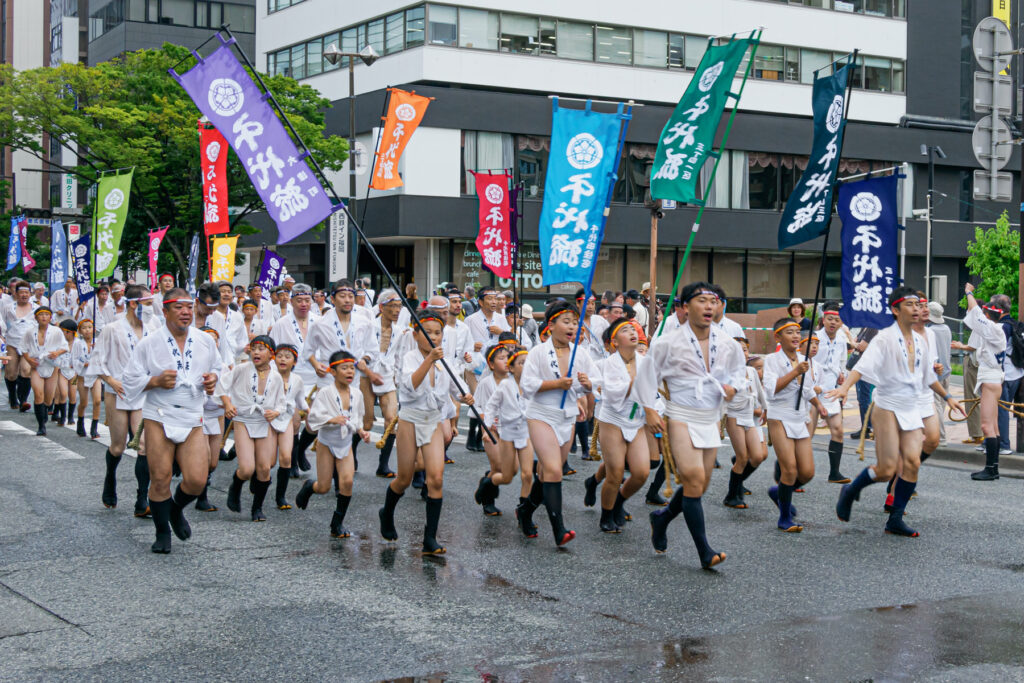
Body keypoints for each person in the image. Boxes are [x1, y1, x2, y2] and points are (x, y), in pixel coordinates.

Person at [829, 287, 965, 537]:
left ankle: (895, 519)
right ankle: (850, 490)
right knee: (886, 469)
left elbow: (927, 376)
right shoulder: (884, 337)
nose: (917, 309)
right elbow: (862, 366)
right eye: (910, 304)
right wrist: (844, 388)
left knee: (912, 462)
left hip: (912, 405)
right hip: (887, 406)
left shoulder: (925, 338)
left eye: (918, 304)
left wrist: (948, 397)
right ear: (895, 310)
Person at [638, 283, 743, 569]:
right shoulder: (667, 342)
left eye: (714, 301)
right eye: (701, 300)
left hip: (710, 417)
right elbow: (646, 376)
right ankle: (705, 552)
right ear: (685, 307)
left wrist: (732, 388)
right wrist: (649, 410)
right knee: (694, 478)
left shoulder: (728, 342)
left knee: (698, 485)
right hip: (680, 414)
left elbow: (739, 373)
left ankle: (661, 519)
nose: (709, 306)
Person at [122, 289, 222, 554]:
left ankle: (175, 510)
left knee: (197, 480)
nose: (185, 312)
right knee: (160, 478)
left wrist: (212, 380)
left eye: (188, 307)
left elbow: (218, 369)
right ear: (165, 311)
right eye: (178, 307)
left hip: (192, 414)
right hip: (160, 414)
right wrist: (154, 381)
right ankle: (162, 531)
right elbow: (129, 380)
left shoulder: (205, 341)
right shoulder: (149, 343)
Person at [378, 311, 474, 554]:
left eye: (438, 332)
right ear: (416, 334)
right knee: (404, 478)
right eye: (428, 332)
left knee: (436, 478)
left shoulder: (445, 360)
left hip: (433, 421)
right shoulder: (410, 357)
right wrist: (429, 359)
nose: (434, 337)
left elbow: (457, 386)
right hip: (410, 420)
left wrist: (465, 394)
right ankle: (386, 512)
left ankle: (429, 539)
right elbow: (410, 385)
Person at [520, 300, 599, 546]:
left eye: (575, 323)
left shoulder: (581, 353)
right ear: (551, 324)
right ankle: (559, 529)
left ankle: (524, 511)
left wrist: (587, 384)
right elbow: (527, 386)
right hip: (541, 414)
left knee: (545, 475)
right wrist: (556, 384)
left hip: (567, 416)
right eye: (566, 322)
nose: (572, 327)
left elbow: (596, 380)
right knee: (554, 470)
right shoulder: (538, 352)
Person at [93, 284, 159, 516]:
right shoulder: (112, 328)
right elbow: (97, 360)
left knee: (143, 446)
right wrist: (111, 381)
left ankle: (142, 500)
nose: (151, 309)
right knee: (119, 446)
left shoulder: (154, 326)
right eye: (147, 304)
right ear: (133, 304)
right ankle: (110, 477)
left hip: (144, 392)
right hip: (118, 391)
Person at [299, 279, 374, 468]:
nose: (347, 300)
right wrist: (316, 364)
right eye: (342, 296)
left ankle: (348, 456)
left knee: (351, 419)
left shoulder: (364, 322)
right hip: (328, 378)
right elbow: (308, 351)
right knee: (321, 421)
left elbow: (372, 349)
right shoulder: (321, 323)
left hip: (353, 377)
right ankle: (299, 450)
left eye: (351, 296)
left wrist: (365, 359)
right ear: (333, 299)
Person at [297, 350, 371, 537]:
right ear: (333, 372)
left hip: (345, 442)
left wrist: (362, 431)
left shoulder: (357, 394)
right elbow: (313, 419)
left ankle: (337, 524)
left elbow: (358, 418)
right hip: (327, 443)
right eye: (344, 368)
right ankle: (309, 486)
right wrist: (331, 419)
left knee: (347, 482)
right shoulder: (325, 393)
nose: (349, 372)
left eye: (351, 368)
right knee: (324, 487)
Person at [764, 325, 827, 532]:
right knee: (789, 469)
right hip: (779, 415)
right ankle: (784, 518)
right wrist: (794, 372)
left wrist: (818, 405)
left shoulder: (803, 359)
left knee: (807, 472)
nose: (795, 336)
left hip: (800, 417)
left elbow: (807, 389)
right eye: (789, 332)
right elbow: (771, 390)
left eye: (797, 333)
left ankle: (779, 491)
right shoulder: (771, 360)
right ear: (778, 337)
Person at [591, 319, 651, 533]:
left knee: (642, 472)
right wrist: (636, 381)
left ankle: (618, 502)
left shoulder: (646, 361)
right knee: (615, 473)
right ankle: (606, 514)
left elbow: (653, 392)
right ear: (615, 342)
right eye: (625, 330)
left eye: (633, 329)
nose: (632, 332)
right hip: (613, 419)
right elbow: (614, 393)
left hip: (636, 420)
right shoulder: (609, 364)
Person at [221, 335, 286, 521]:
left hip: (264, 422)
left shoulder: (276, 377)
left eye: (261, 348)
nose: (256, 352)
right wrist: (227, 404)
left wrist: (276, 412)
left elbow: (282, 403)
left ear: (271, 354)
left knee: (265, 468)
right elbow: (221, 387)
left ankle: (257, 508)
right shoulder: (241, 369)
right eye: (254, 348)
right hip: (243, 419)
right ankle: (237, 482)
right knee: (248, 468)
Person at [480, 346, 535, 531]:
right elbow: (490, 407)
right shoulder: (504, 385)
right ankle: (488, 483)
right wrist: (487, 428)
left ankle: (524, 513)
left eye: (528, 363)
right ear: (512, 368)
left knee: (528, 475)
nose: (526, 367)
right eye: (521, 363)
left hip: (526, 433)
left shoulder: (533, 384)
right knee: (507, 475)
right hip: (507, 434)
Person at [963, 285, 1008, 480]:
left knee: (987, 425)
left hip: (990, 379)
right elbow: (977, 314)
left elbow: (975, 312)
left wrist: (969, 293)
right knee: (994, 426)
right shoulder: (997, 329)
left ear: (989, 315)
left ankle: (991, 468)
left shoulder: (994, 329)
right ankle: (993, 467)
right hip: (994, 378)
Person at [722, 340, 768, 509]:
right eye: (738, 350)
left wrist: (765, 409)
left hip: (749, 417)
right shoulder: (725, 372)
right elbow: (722, 398)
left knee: (757, 456)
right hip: (734, 416)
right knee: (742, 457)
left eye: (745, 350)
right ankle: (731, 496)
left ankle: (737, 482)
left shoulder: (750, 370)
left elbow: (760, 392)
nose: (743, 353)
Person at [811, 302, 850, 483]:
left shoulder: (842, 338)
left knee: (838, 431)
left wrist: (842, 376)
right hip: (812, 392)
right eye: (830, 319)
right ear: (823, 320)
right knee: (806, 434)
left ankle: (834, 473)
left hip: (831, 391)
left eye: (837, 320)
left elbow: (843, 361)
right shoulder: (814, 337)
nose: (833, 323)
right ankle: (790, 473)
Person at [471, 344, 509, 516]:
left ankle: (485, 483)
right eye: (501, 358)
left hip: (509, 428)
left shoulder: (514, 381)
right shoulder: (486, 383)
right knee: (498, 465)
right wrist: (485, 428)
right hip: (491, 428)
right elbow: (479, 407)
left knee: (505, 468)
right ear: (491, 364)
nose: (506, 361)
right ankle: (488, 501)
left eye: (508, 357)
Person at [270, 343, 306, 509]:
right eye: (280, 356)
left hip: (287, 419)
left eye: (287, 356)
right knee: (268, 462)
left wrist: (311, 411)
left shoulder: (297, 380)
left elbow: (301, 400)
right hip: (269, 419)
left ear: (294, 362)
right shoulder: (268, 376)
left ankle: (281, 497)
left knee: (285, 458)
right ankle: (259, 479)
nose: (283, 359)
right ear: (274, 359)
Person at [22, 306, 69, 435]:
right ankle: (41, 426)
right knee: (38, 394)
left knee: (48, 399)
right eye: (41, 314)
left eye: (46, 314)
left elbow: (65, 347)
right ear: (36, 317)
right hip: (37, 365)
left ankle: (45, 411)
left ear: (50, 317)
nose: (43, 317)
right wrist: (29, 360)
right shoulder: (29, 332)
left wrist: (57, 352)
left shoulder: (56, 331)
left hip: (51, 365)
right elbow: (23, 348)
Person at [992, 294, 1022, 456]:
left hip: (1005, 373)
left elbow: (998, 350)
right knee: (1001, 408)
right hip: (1017, 372)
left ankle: (1003, 444)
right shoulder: (1014, 323)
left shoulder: (1003, 327)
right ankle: (991, 441)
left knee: (1000, 409)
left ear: (998, 308)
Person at [3, 282, 36, 411]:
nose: (24, 295)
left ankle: (23, 400)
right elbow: (2, 322)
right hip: (11, 342)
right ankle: (12, 396)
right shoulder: (8, 307)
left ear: (30, 294)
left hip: (28, 344)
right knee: (11, 373)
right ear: (15, 294)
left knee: (26, 370)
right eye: (21, 292)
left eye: (26, 293)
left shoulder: (36, 307)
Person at [927, 301, 952, 445]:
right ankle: (937, 433)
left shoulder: (930, 331)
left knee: (935, 406)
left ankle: (940, 437)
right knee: (941, 406)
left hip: (935, 373)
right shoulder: (946, 328)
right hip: (947, 371)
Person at [71, 318, 101, 438]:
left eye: (89, 327)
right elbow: (74, 359)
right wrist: (84, 363)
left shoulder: (98, 341)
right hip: (83, 375)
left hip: (95, 375)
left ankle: (94, 427)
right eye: (84, 328)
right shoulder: (78, 343)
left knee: (97, 400)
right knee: (83, 402)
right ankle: (80, 421)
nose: (87, 330)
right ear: (80, 331)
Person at [54, 319, 78, 426]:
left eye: (62, 331)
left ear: (69, 332)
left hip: (74, 373)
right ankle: (62, 417)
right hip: (62, 371)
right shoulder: (58, 343)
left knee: (72, 395)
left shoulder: (78, 343)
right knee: (63, 393)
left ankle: (71, 416)